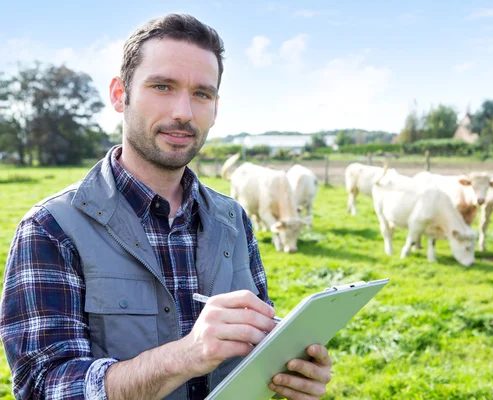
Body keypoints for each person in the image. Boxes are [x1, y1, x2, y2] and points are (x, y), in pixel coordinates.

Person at [0, 13, 332, 400]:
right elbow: (43, 386)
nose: (183, 113)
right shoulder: (51, 228)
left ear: (216, 107)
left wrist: (287, 370)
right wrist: (186, 356)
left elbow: (255, 350)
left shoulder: (233, 219)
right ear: (119, 95)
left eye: (201, 94)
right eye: (162, 86)